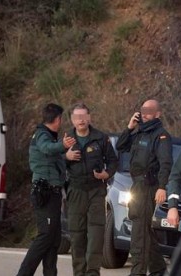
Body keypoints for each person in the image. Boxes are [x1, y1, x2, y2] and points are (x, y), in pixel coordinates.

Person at [115, 99, 173, 276]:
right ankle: (158, 270)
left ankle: (137, 272)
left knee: (139, 234)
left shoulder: (161, 135)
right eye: (143, 110)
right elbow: (120, 145)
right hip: (137, 186)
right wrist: (130, 127)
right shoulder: (139, 132)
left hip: (149, 187)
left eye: (149, 110)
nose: (145, 113)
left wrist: (162, 187)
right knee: (144, 231)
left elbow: (165, 163)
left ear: (157, 114)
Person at [17, 103, 76, 276]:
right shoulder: (41, 135)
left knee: (54, 239)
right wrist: (63, 146)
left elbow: (53, 160)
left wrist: (66, 156)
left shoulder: (50, 137)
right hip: (45, 192)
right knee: (45, 236)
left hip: (54, 193)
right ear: (57, 119)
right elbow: (46, 149)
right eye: (61, 118)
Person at [64, 102, 118, 276]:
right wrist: (66, 156)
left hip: (96, 191)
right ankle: (79, 272)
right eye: (77, 117)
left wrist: (106, 174)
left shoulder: (101, 138)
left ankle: (92, 272)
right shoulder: (66, 141)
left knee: (96, 235)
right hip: (76, 191)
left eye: (83, 116)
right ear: (72, 120)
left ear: (89, 118)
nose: (80, 120)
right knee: (77, 235)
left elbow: (113, 161)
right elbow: (54, 163)